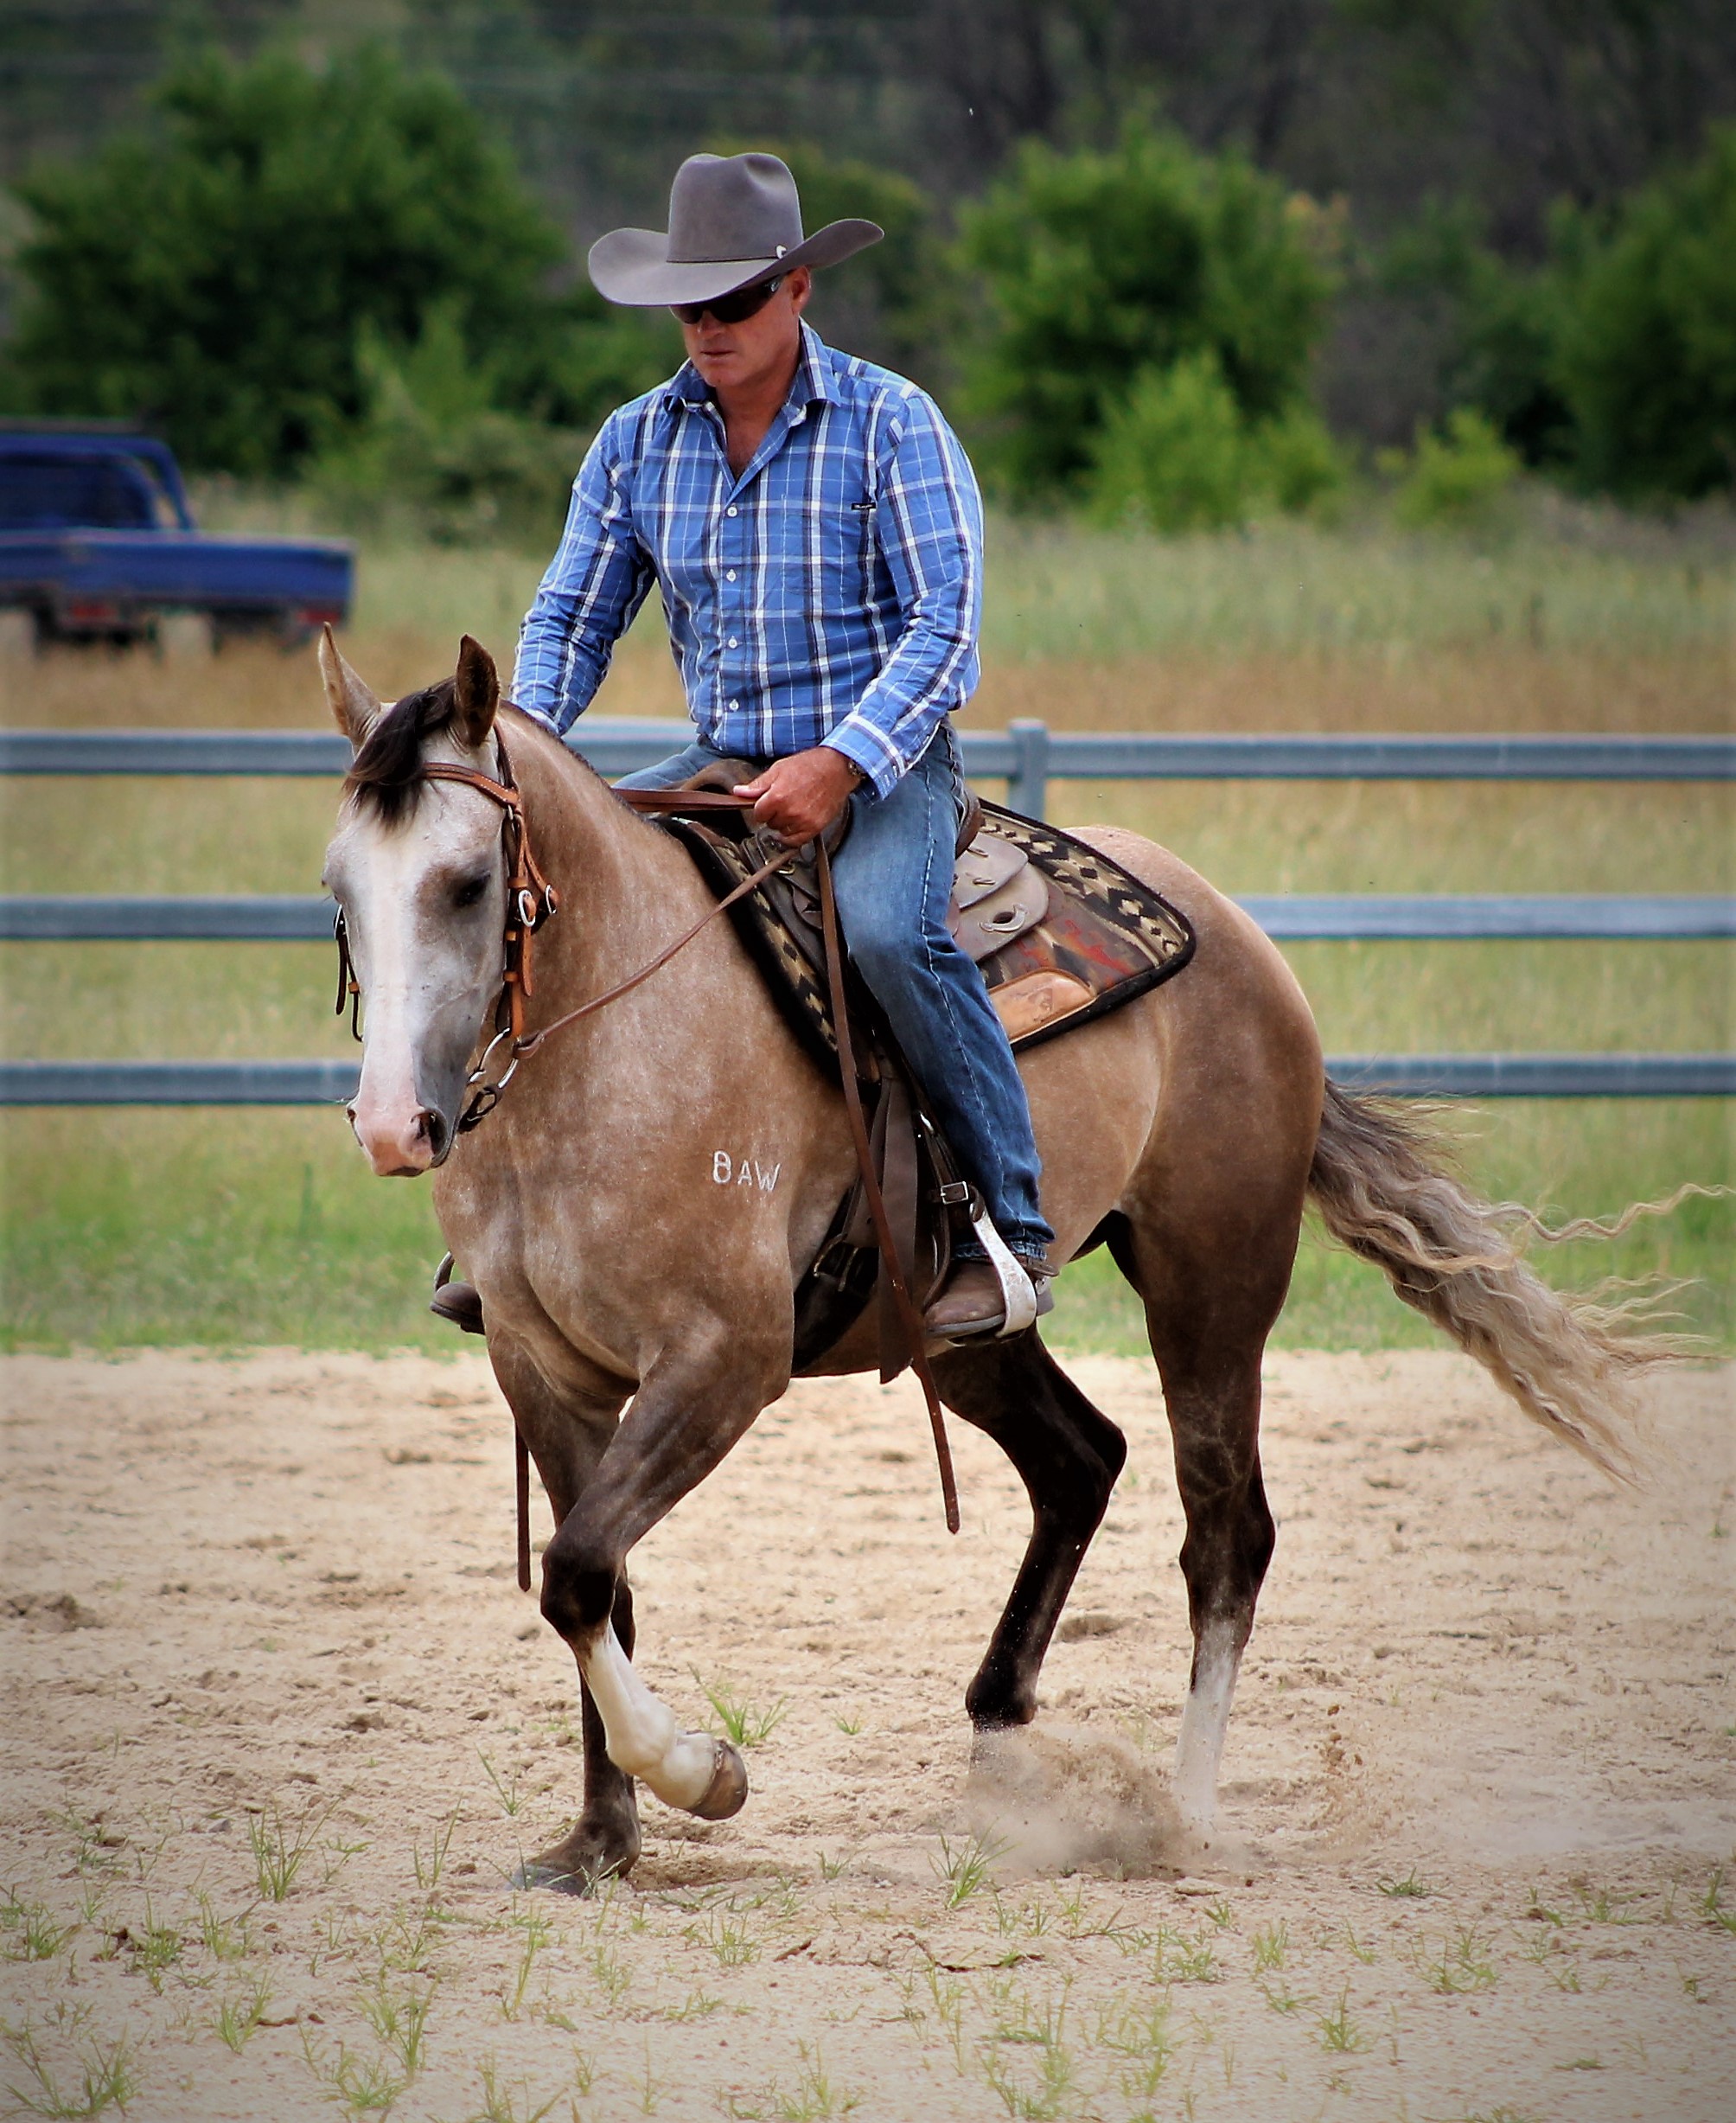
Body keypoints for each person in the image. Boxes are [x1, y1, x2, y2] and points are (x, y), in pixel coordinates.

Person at [512, 150, 1054, 1338]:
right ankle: (522, 1229)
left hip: (887, 763)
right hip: (723, 760)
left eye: (737, 299)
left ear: (798, 288)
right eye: (689, 307)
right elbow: (571, 617)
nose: (709, 326)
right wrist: (522, 757)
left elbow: (946, 627)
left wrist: (839, 762)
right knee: (543, 896)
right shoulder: (636, 443)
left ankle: (1011, 1231)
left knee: (892, 935)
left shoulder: (891, 422)